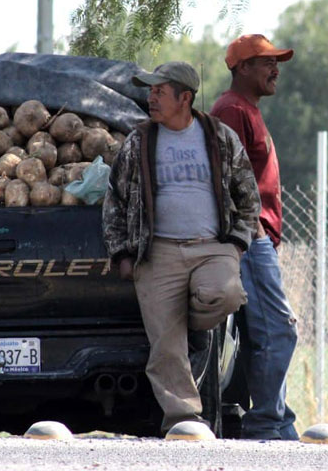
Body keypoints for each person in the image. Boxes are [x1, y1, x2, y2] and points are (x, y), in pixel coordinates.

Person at [102, 60, 260, 434]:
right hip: (158, 254)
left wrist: (237, 244)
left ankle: (191, 319)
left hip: (213, 248)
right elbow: (115, 200)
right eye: (150, 91)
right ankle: (184, 420)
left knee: (226, 294)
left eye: (159, 91)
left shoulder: (219, 137)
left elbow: (248, 196)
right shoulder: (139, 140)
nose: (151, 98)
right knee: (166, 347)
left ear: (184, 98)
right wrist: (123, 253)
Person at [210, 34, 300, 440]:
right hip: (249, 237)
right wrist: (254, 230)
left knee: (260, 335)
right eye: (266, 62)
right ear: (242, 68)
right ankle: (268, 423)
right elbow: (228, 176)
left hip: (254, 236)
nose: (275, 68)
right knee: (279, 330)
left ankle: (272, 419)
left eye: (276, 62)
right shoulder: (231, 109)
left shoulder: (246, 108)